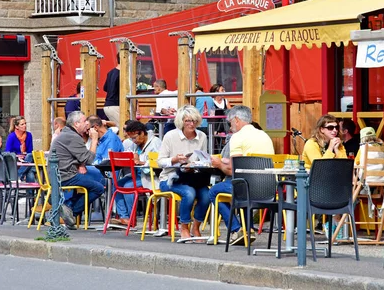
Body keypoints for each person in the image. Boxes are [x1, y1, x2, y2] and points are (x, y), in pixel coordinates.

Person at [209, 105, 274, 245]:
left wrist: (219, 164)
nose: (230, 127)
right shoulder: (264, 135)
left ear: (237, 120)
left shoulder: (238, 137)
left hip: (247, 188)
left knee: (214, 191)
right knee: (241, 184)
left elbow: (233, 170)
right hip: (268, 188)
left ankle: (236, 229)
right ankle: (248, 229)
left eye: (230, 122)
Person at [157, 105, 208, 242]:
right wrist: (174, 160)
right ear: (181, 122)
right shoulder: (170, 136)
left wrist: (195, 165)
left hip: (193, 177)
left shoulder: (202, 136)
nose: (192, 124)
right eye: (188, 121)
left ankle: (196, 227)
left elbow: (203, 160)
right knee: (189, 193)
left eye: (194, 121)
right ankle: (184, 226)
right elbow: (160, 162)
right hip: (170, 178)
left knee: (207, 195)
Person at [50, 111, 104, 229]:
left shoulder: (66, 134)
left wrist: (81, 164)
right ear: (76, 124)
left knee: (96, 178)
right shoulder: (73, 137)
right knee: (99, 187)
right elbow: (89, 159)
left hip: (59, 174)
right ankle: (71, 210)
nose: (87, 123)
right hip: (66, 176)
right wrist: (94, 140)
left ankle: (67, 208)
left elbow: (79, 157)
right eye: (84, 121)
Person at [112, 120, 161, 226]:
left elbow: (158, 163)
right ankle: (124, 217)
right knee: (117, 184)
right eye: (131, 138)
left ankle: (131, 219)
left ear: (142, 133)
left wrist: (141, 162)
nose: (133, 141)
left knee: (128, 186)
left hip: (151, 177)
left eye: (134, 138)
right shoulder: (136, 144)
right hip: (137, 175)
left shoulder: (155, 142)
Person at [5, 115, 35, 183]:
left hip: (26, 159)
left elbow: (30, 151)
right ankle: (30, 193)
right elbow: (7, 152)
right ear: (16, 126)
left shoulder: (29, 135)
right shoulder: (11, 136)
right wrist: (18, 156)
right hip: (15, 160)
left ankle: (18, 175)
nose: (25, 125)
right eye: (22, 124)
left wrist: (24, 155)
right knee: (30, 173)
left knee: (30, 156)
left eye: (25, 123)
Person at [103, 53, 121, 127]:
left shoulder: (110, 72)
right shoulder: (122, 74)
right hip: (116, 106)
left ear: (117, 59)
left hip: (108, 106)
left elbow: (105, 88)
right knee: (123, 129)